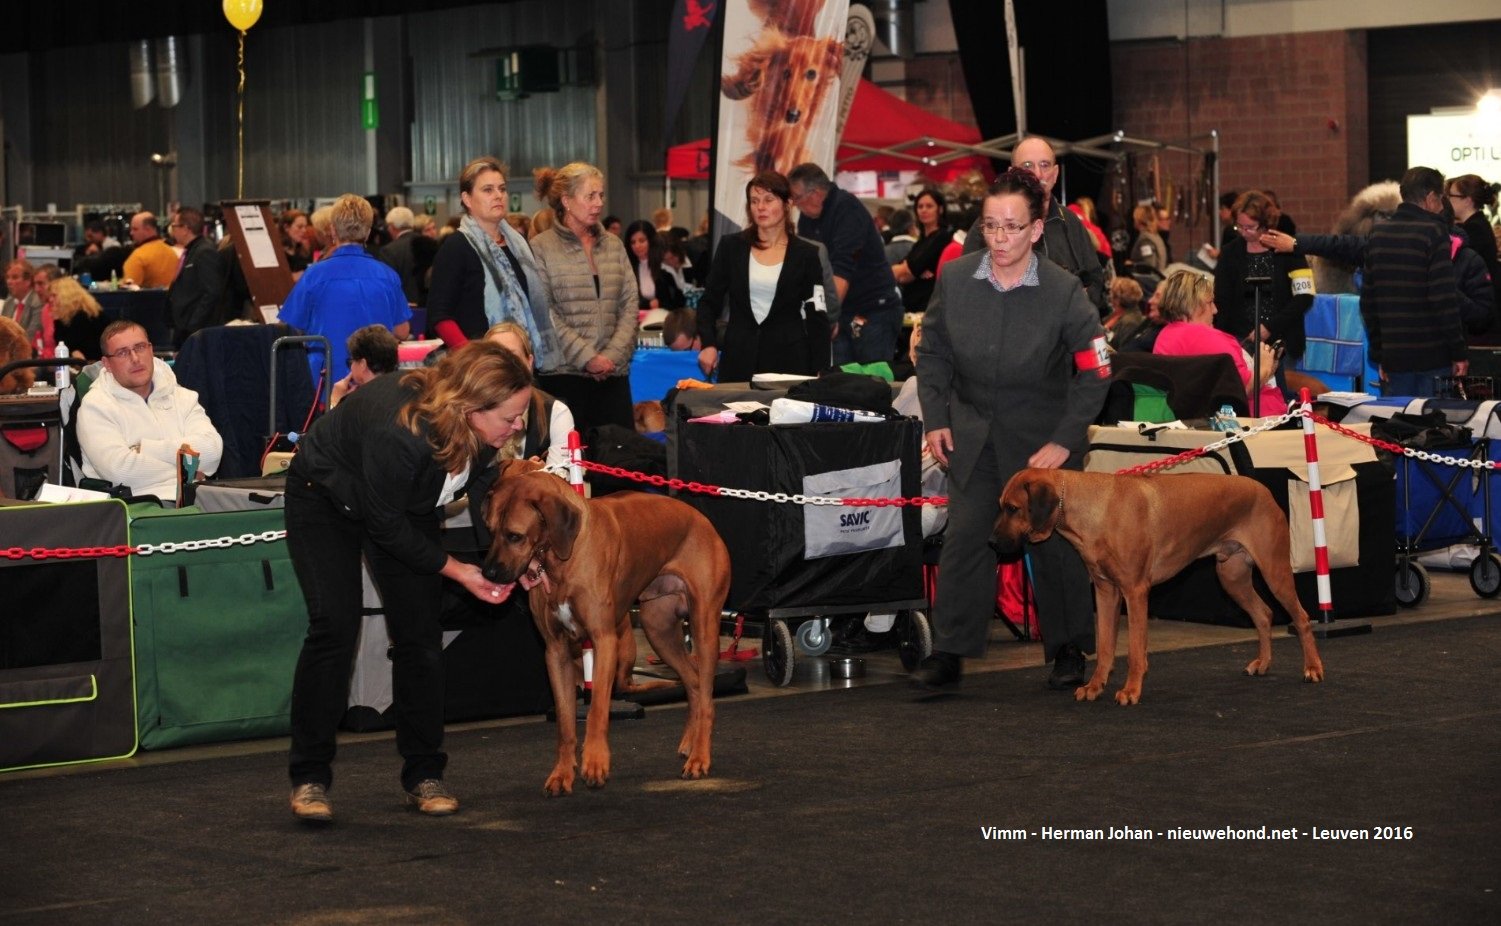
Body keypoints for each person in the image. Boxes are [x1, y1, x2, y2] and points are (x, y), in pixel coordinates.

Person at [285, 340, 531, 823]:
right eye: (510, 417)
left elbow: (483, 489)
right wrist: (459, 570)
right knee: (334, 627)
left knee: (419, 634)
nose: (518, 426)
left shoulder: (484, 432)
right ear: (470, 407)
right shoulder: (403, 433)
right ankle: (309, 776)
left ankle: (424, 774)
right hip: (325, 496)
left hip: (402, 503)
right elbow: (385, 527)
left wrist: (511, 560)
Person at [911, 167, 1110, 692]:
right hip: (973, 439)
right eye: (991, 226)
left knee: (1057, 546)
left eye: (1013, 228)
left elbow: (1096, 371)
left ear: (1037, 229)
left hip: (1044, 445)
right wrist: (936, 421)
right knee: (965, 539)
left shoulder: (1065, 291)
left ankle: (1068, 648)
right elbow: (931, 354)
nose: (1000, 239)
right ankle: (949, 652)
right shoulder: (955, 279)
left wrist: (1065, 440)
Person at [529, 161, 638, 435]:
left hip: (613, 376)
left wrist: (610, 356)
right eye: (590, 196)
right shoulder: (541, 248)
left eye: (601, 195)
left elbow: (630, 303)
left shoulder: (614, 244)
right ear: (566, 201)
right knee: (569, 470)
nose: (598, 203)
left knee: (620, 466)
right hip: (565, 378)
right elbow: (544, 312)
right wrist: (587, 357)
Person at [425, 157, 559, 378]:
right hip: (477, 371)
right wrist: (474, 359)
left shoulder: (519, 245)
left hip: (524, 366)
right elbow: (440, 316)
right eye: (488, 190)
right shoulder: (456, 247)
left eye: (502, 189)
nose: (498, 195)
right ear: (467, 198)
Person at [695, 171, 830, 382]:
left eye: (769, 200)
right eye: (754, 201)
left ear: (787, 204)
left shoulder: (806, 254)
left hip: (790, 361)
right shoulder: (731, 247)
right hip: (738, 358)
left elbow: (817, 315)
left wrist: (822, 367)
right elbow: (708, 302)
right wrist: (708, 343)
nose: (761, 207)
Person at [77, 320, 224, 502]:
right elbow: (120, 472)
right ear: (107, 364)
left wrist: (145, 448)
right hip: (134, 507)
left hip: (195, 501)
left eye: (140, 347)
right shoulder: (96, 406)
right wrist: (188, 472)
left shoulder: (182, 397)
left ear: (151, 349)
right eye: (123, 353)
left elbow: (212, 451)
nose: (135, 359)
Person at [962, 137, 1108, 316]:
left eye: (1045, 165)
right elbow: (969, 287)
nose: (1038, 174)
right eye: (1028, 166)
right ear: (1012, 174)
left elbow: (1095, 278)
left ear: (1055, 174)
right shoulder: (988, 226)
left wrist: (1080, 300)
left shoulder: (1070, 222)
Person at [277, 194, 412, 386]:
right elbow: (402, 331)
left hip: (325, 381)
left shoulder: (314, 275)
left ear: (332, 231)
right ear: (367, 233)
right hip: (375, 382)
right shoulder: (387, 275)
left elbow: (289, 329)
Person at [1361, 168, 1466, 396]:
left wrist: (1380, 354)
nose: (1441, 207)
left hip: (1394, 357)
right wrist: (1458, 351)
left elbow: (1368, 302)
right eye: (1440, 200)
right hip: (1433, 356)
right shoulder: (1434, 232)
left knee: (1398, 427)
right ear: (1430, 199)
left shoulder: (1378, 234)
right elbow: (1443, 299)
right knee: (1435, 427)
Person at [788, 162, 902, 366]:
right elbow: (808, 269)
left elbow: (843, 269)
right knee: (842, 384)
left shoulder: (847, 209)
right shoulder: (807, 219)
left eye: (797, 197)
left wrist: (826, 319)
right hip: (843, 311)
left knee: (871, 384)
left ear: (815, 193)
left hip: (874, 310)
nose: (795, 204)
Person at [1212, 191, 1314, 389]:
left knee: (1283, 399)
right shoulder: (1230, 252)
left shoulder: (1289, 250)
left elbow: (1304, 296)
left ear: (1266, 223)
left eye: (1250, 227)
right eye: (1239, 226)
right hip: (1239, 343)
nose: (1243, 232)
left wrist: (1269, 327)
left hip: (1283, 343)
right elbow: (1222, 300)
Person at [1152, 269, 1286, 416]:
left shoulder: (1164, 337)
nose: (1215, 310)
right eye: (1210, 302)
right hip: (1250, 423)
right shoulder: (1208, 337)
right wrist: (1265, 367)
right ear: (1193, 305)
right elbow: (1243, 389)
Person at [486, 321, 574, 475]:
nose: (504, 366)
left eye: (513, 357)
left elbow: (557, 483)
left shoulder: (556, 412)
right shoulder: (469, 412)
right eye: (495, 357)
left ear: (529, 362)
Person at [166, 207, 229, 348]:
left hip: (197, 330)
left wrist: (193, 324)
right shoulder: (192, 251)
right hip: (186, 327)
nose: (172, 230)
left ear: (185, 228)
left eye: (174, 226)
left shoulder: (204, 252)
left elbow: (212, 292)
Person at [893, 188, 955, 314]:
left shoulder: (942, 237)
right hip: (912, 307)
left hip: (928, 308)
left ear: (940, 209)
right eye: (920, 206)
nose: (924, 210)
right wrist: (911, 269)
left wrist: (908, 269)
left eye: (929, 206)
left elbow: (908, 270)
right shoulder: (921, 241)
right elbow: (904, 275)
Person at [1447, 174, 1500, 305]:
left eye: (1451, 196)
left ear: (1467, 200)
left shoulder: (1474, 229)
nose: (1448, 200)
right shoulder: (1476, 224)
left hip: (1482, 304)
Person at [329, 324, 400, 408]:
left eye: (351, 361)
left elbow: (334, 421)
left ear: (362, 364)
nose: (351, 367)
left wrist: (335, 402)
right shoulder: (403, 393)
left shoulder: (359, 404)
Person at [623, 220, 684, 311]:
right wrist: (648, 304)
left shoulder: (663, 265)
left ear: (651, 241)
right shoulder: (626, 268)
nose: (637, 246)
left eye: (642, 241)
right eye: (633, 242)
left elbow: (677, 300)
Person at [49, 276, 108, 361]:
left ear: (66, 296)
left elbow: (70, 346)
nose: (50, 299)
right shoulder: (69, 317)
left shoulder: (83, 317)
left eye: (54, 296)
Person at [379, 206, 424, 306]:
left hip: (403, 308)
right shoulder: (429, 244)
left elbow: (388, 284)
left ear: (392, 227)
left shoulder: (388, 250)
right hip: (427, 306)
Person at [121, 212, 180, 289]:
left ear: (148, 229)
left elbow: (128, 290)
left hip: (148, 300)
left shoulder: (138, 257)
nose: (131, 233)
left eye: (135, 229)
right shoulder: (172, 253)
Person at [2, 258, 43, 348]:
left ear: (28, 281)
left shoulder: (37, 303)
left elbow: (30, 338)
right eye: (7, 277)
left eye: (15, 277)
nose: (9, 282)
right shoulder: (9, 301)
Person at [1129, 203, 1168, 277]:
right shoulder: (1155, 236)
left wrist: (1132, 264)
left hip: (1150, 283)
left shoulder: (1146, 240)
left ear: (1139, 220)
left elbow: (1149, 266)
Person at [1104, 275, 1146, 345]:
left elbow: (1122, 350)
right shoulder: (1118, 312)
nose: (1109, 296)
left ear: (1117, 299)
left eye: (1111, 292)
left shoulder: (1130, 322)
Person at [279, 209, 313, 278]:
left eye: (305, 227)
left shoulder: (305, 249)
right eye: (299, 227)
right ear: (286, 227)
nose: (304, 230)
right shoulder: (278, 251)